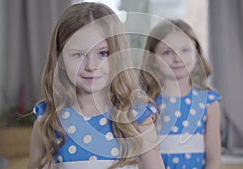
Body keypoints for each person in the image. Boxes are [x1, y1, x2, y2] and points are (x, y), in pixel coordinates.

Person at [28, 2, 165, 169]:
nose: (91, 66)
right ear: (60, 60)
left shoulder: (137, 118)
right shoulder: (47, 122)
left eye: (103, 53)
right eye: (78, 54)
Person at [140, 19, 221, 169]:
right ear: (152, 59)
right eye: (167, 52)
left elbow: (214, 159)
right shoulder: (146, 104)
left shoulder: (209, 102)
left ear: (197, 54)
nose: (178, 59)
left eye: (185, 50)